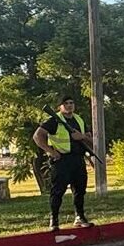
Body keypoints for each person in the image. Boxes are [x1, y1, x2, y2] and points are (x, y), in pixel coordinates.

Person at [33, 95, 95, 231]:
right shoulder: (54, 120)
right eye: (65, 103)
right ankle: (54, 220)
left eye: (71, 102)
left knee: (80, 190)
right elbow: (37, 136)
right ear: (60, 106)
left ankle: (80, 217)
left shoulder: (78, 119)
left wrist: (82, 137)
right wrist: (50, 151)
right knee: (58, 191)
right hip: (61, 160)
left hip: (78, 159)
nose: (69, 105)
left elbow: (90, 139)